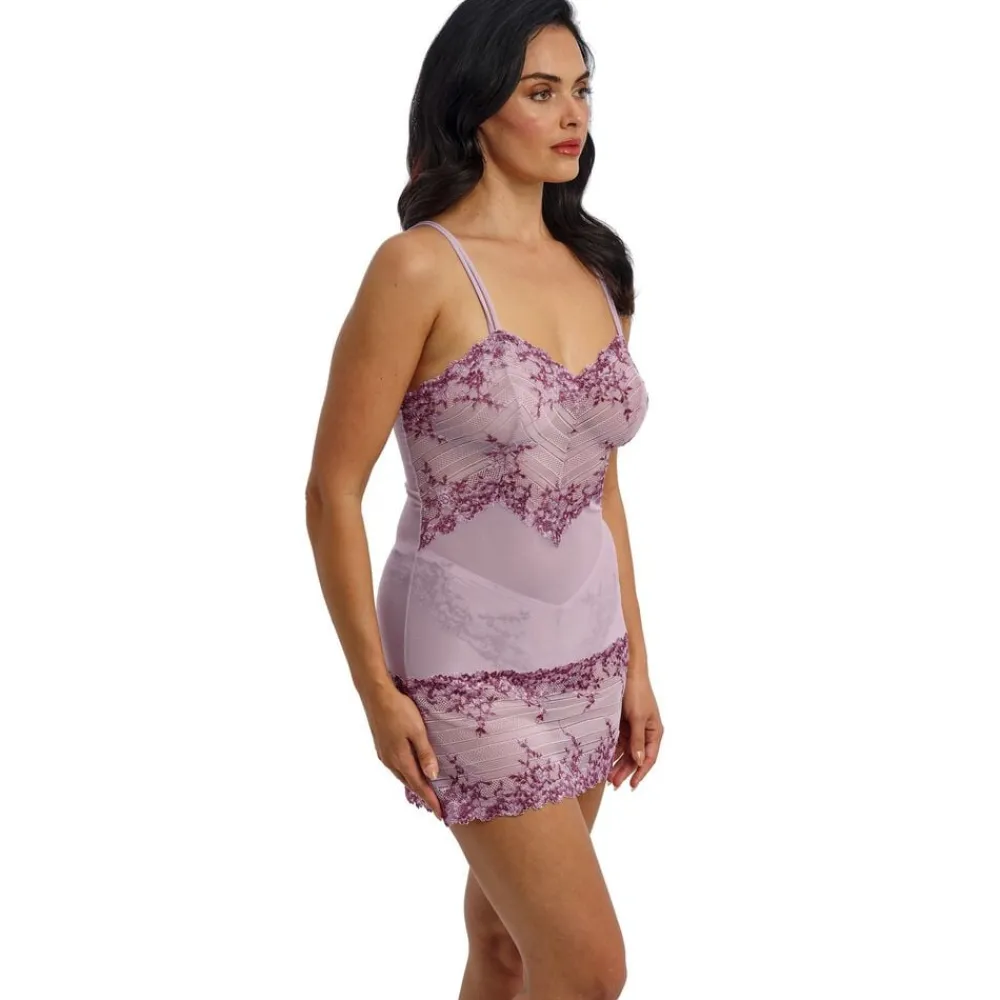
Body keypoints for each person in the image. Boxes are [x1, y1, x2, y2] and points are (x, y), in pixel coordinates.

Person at [305, 2, 663, 996]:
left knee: (506, 945)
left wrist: (637, 666)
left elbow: (601, 487)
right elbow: (332, 491)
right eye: (540, 92)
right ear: (474, 107)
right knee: (587, 967)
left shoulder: (598, 267)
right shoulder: (418, 267)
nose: (572, 115)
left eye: (580, 90)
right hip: (465, 663)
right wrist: (375, 693)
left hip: (590, 654)